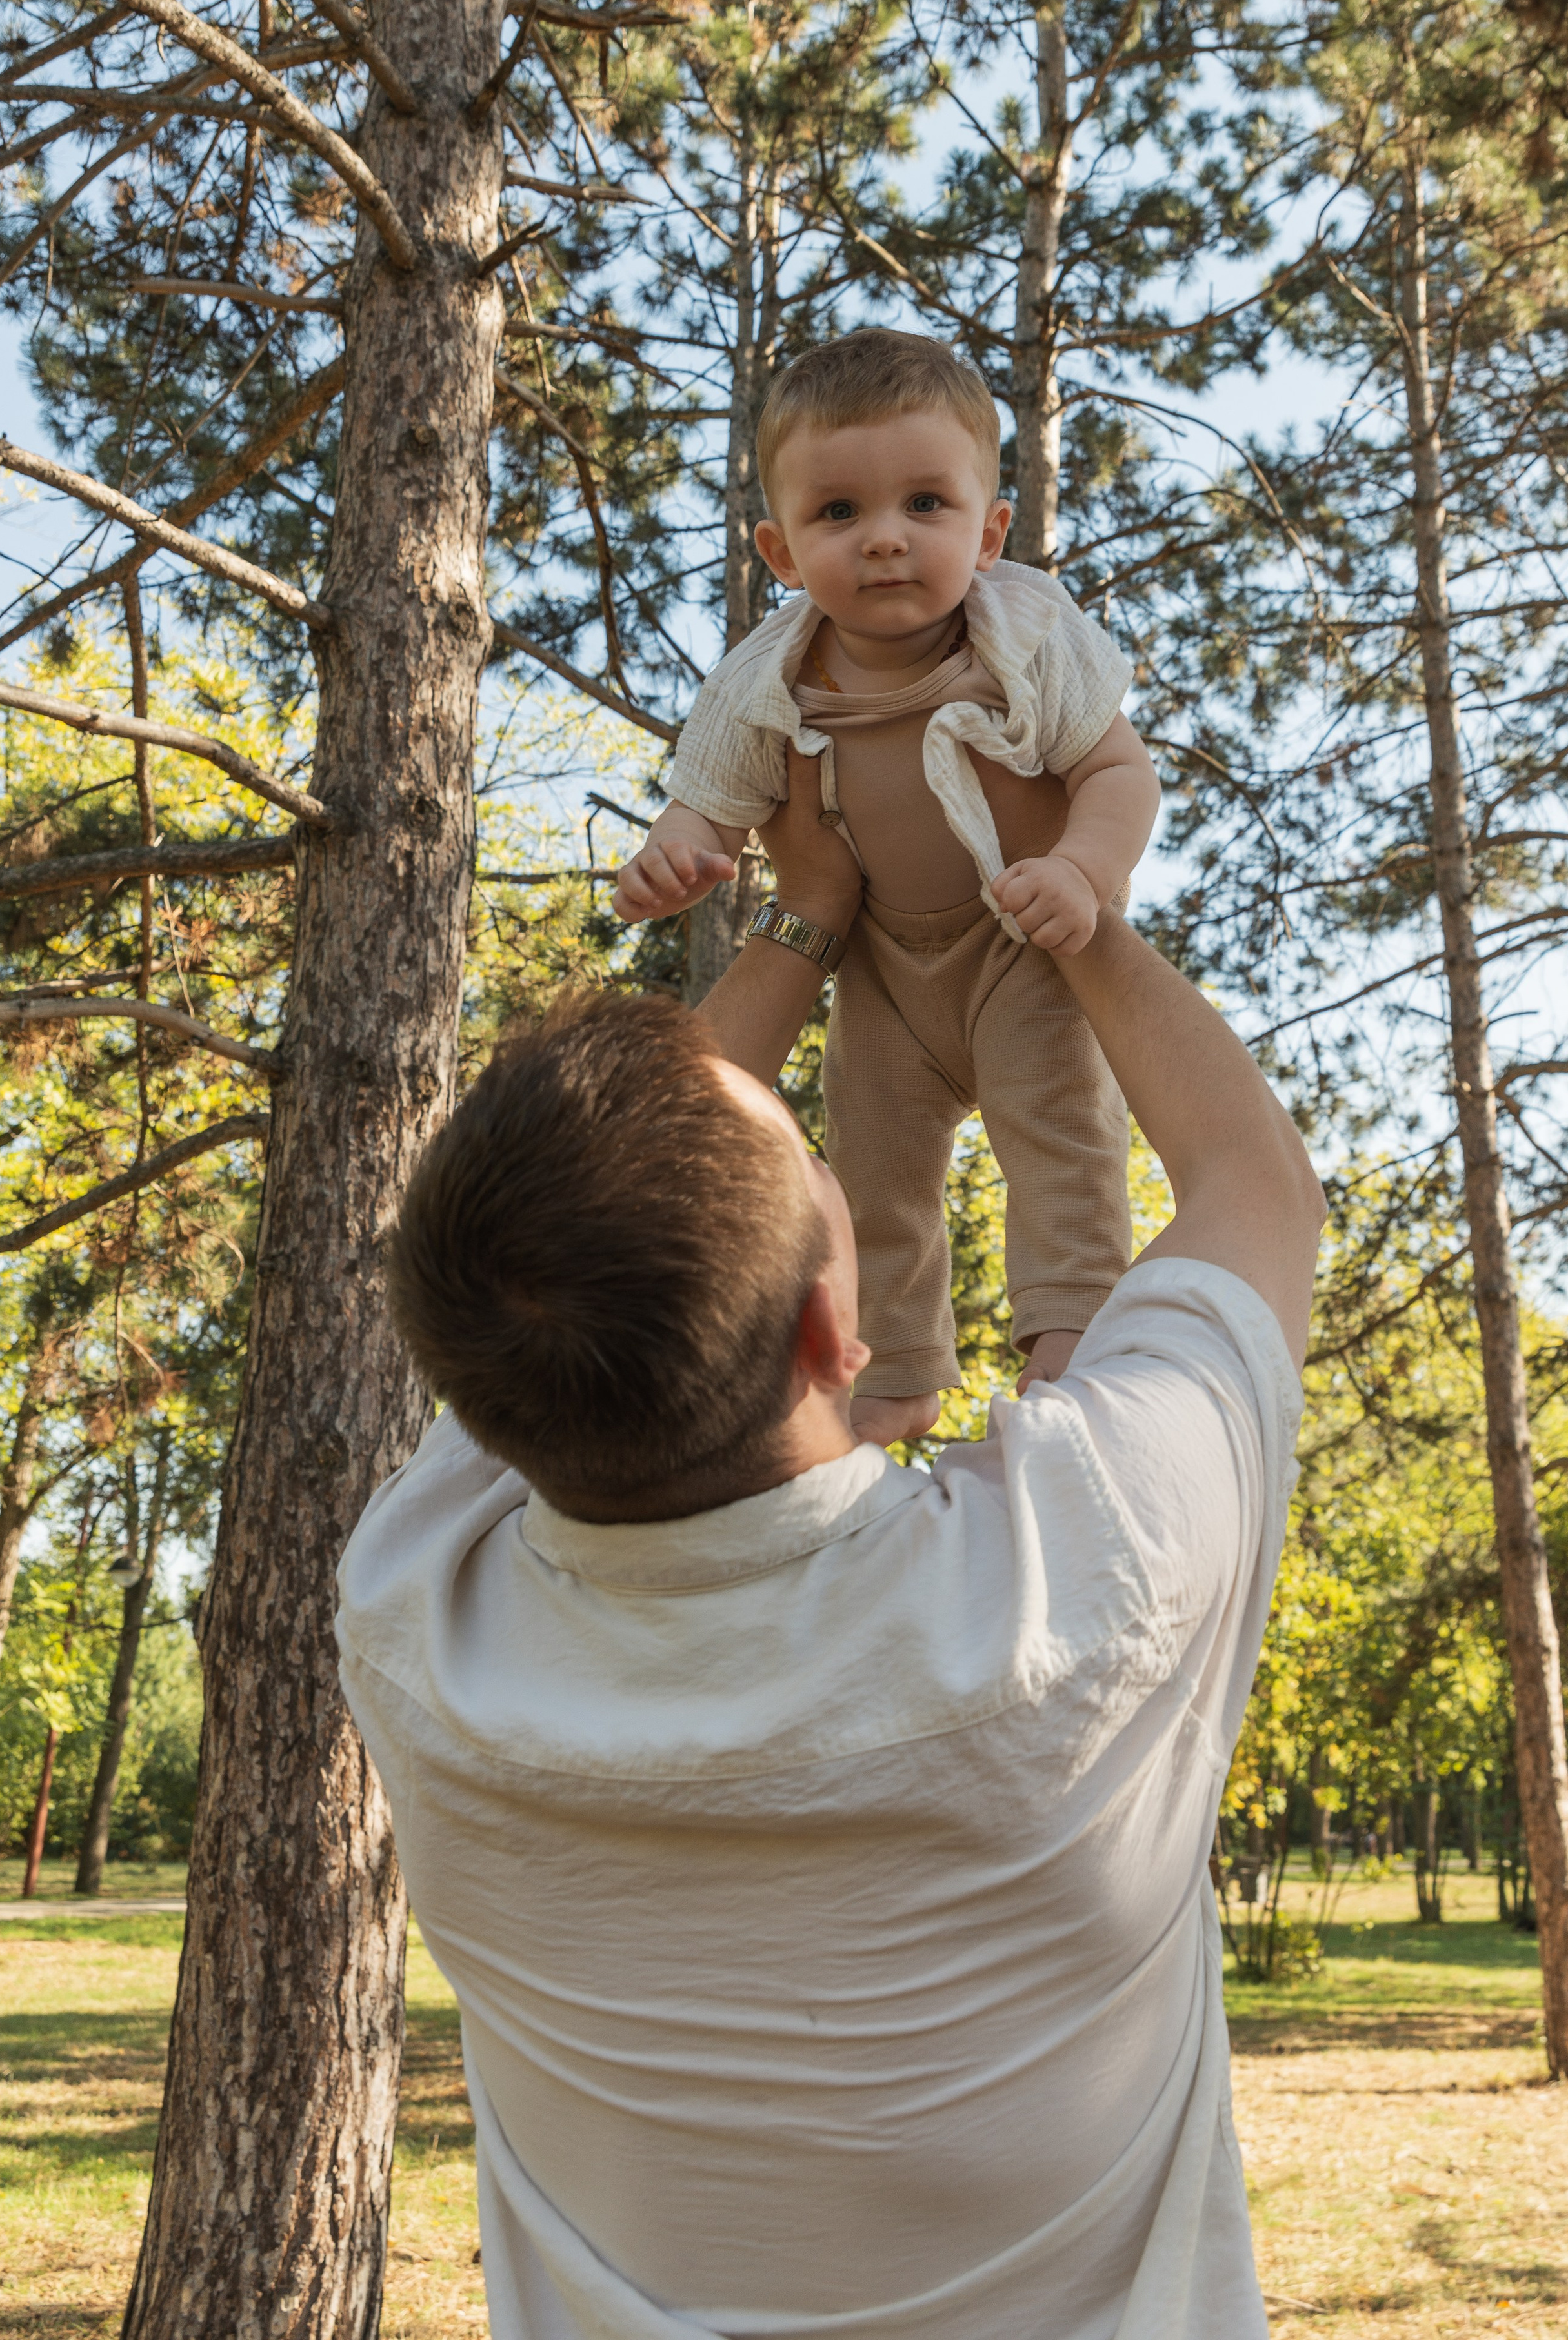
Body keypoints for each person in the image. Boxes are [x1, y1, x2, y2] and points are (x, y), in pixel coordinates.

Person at [337, 755, 1326, 2340]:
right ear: (828, 1322)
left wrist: (805, 921)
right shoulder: (1086, 1572)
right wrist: (1059, 895)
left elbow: (571, 1257)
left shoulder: (414, 1608)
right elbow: (1252, 1182)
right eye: (819, 1171)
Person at [613, 330, 1160, 1449]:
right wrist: (673, 855)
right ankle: (897, 1370)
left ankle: (1072, 1338)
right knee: (872, 1165)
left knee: (1057, 1130)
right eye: (839, 515)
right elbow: (708, 801)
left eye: (924, 503)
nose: (886, 541)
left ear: (990, 528)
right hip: (881, 968)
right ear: (778, 547)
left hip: (1024, 942)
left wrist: (1081, 872)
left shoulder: (1025, 632)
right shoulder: (763, 678)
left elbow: (1119, 771)